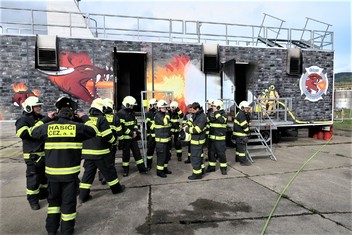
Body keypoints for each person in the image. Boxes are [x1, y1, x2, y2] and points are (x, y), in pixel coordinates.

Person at [30, 98, 97, 235]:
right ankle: (67, 231)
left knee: (53, 203)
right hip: (70, 177)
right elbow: (94, 130)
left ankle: (51, 229)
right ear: (72, 114)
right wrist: (84, 117)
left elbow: (32, 131)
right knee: (68, 204)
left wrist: (46, 119)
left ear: (57, 112)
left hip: (52, 176)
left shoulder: (47, 127)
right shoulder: (78, 128)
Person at [79, 98, 125, 203]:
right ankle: (116, 189)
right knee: (109, 171)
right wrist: (114, 142)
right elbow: (108, 135)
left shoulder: (87, 119)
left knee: (88, 175)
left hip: (87, 153)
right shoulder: (101, 119)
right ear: (101, 108)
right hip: (101, 152)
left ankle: (83, 196)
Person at [15, 96, 50, 210]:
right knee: (33, 179)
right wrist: (43, 121)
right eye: (36, 106)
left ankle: (43, 194)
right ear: (29, 107)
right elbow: (24, 134)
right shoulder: (23, 120)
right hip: (32, 155)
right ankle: (32, 200)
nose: (39, 108)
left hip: (44, 154)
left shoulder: (40, 118)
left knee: (44, 178)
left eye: (39, 106)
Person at [117, 96, 148, 177]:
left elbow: (135, 123)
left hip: (133, 138)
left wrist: (135, 131)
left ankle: (142, 168)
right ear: (127, 104)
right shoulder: (120, 113)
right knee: (126, 155)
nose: (133, 106)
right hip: (126, 138)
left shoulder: (131, 112)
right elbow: (122, 127)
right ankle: (125, 170)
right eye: (131, 105)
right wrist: (131, 133)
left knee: (137, 153)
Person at [96, 98, 123, 185]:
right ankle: (109, 178)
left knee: (102, 160)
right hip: (112, 142)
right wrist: (120, 141)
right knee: (111, 161)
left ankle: (102, 176)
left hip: (101, 143)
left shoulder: (100, 117)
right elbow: (119, 130)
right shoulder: (115, 117)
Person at [183, 102, 207, 180]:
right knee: (199, 157)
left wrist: (187, 129)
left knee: (195, 158)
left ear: (197, 109)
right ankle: (201, 170)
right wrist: (187, 124)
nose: (191, 111)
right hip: (195, 140)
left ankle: (197, 174)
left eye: (193, 110)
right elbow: (190, 120)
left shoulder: (202, 117)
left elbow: (197, 130)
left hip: (198, 141)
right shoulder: (196, 114)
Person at [206, 99, 228, 175]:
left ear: (218, 107)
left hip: (220, 139)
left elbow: (222, 121)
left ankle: (223, 168)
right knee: (211, 153)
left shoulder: (224, 114)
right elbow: (208, 121)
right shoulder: (211, 113)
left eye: (214, 106)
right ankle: (211, 167)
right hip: (211, 138)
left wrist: (216, 113)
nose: (212, 108)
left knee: (221, 154)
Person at [154, 100, 172, 178]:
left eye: (165, 107)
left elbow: (168, 126)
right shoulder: (158, 115)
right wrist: (168, 114)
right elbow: (165, 122)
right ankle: (159, 171)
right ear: (159, 108)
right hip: (161, 141)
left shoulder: (164, 114)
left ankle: (164, 169)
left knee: (167, 156)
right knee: (161, 156)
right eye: (163, 107)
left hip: (166, 140)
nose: (165, 109)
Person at [232, 101, 252, 166]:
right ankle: (243, 161)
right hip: (241, 135)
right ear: (242, 107)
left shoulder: (240, 113)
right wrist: (248, 132)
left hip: (238, 134)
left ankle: (238, 159)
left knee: (238, 148)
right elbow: (244, 125)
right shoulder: (241, 114)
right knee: (242, 149)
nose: (248, 110)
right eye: (246, 108)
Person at [145, 98, 158, 170]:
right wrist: (156, 127)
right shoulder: (148, 114)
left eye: (156, 104)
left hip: (158, 135)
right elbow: (147, 123)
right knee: (150, 151)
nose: (156, 105)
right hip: (151, 136)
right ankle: (149, 164)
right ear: (151, 105)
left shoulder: (158, 113)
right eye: (155, 104)